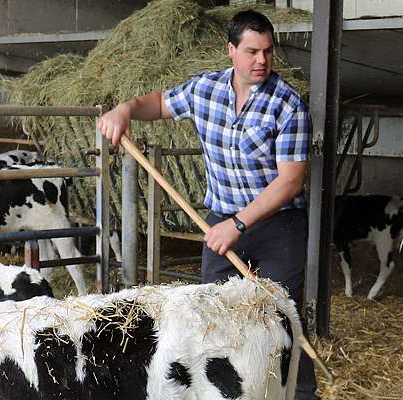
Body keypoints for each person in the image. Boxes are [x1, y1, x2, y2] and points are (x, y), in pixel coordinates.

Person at [95, 10, 317, 399]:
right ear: (230, 50)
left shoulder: (288, 105)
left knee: (281, 318)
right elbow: (157, 104)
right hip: (221, 222)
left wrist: (239, 224)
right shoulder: (205, 90)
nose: (261, 60)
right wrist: (125, 110)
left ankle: (298, 394)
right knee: (213, 316)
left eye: (267, 51)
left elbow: (290, 180)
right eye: (251, 51)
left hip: (278, 226)